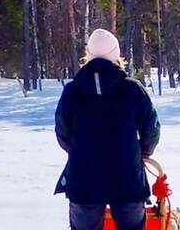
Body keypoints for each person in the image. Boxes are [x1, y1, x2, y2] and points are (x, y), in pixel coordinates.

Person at [54, 29, 161, 230]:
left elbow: (62, 132)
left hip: (83, 179)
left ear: (88, 55)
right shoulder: (132, 89)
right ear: (116, 54)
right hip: (127, 178)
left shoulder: (72, 91)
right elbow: (151, 129)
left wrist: (80, 151)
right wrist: (141, 152)